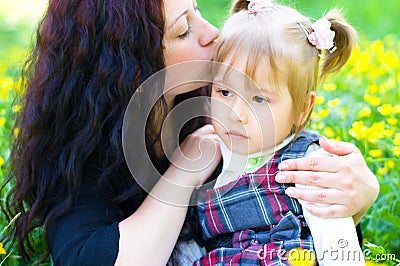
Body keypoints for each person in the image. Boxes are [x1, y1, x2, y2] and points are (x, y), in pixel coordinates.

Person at [0, 0, 378, 265]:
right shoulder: (84, 150)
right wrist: (183, 171)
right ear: (128, 62)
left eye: (197, 11)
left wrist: (356, 199)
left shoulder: (217, 107)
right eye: (184, 30)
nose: (213, 33)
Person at [191, 0, 366, 265]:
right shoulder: (205, 162)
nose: (235, 113)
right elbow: (189, 249)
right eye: (225, 92)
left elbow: (338, 245)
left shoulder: (308, 165)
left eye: (259, 99)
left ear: (302, 109)